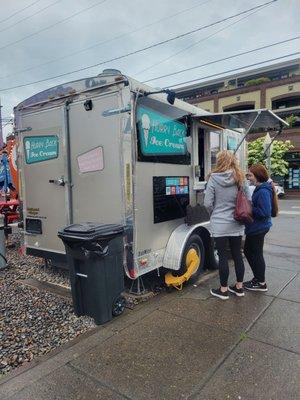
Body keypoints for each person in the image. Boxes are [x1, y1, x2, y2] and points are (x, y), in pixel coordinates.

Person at [204, 150, 251, 300]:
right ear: (233, 161)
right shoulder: (240, 177)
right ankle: (239, 287)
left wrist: (215, 213)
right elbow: (248, 198)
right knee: (237, 254)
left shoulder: (213, 178)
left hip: (219, 223)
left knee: (223, 255)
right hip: (237, 222)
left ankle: (223, 290)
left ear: (219, 161)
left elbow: (207, 203)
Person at [243, 164, 278, 292]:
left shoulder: (263, 191)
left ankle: (261, 282)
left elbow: (264, 212)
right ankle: (258, 279)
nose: (249, 178)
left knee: (256, 254)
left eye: (250, 175)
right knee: (249, 251)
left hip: (258, 228)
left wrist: (249, 207)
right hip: (257, 227)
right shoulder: (261, 188)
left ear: (257, 176)